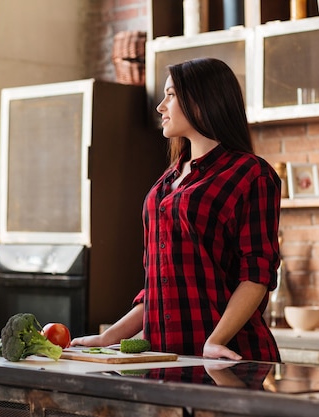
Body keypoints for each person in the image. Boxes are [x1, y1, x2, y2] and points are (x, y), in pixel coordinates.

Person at [71, 57, 281, 362]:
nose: (160, 106)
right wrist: (109, 337)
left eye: (171, 95)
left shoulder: (251, 173)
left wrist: (215, 341)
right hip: (165, 357)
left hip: (227, 357)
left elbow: (256, 274)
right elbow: (157, 285)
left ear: (202, 100)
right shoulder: (166, 182)